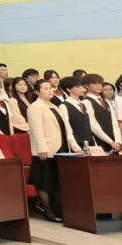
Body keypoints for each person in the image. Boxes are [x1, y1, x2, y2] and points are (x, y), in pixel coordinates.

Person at [27, 77, 69, 222]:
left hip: (59, 148)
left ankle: (58, 210)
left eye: (51, 88)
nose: (50, 90)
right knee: (44, 182)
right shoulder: (35, 106)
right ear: (37, 92)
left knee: (55, 182)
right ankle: (47, 210)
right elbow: (36, 129)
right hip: (45, 151)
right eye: (45, 88)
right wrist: (42, 147)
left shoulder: (54, 106)